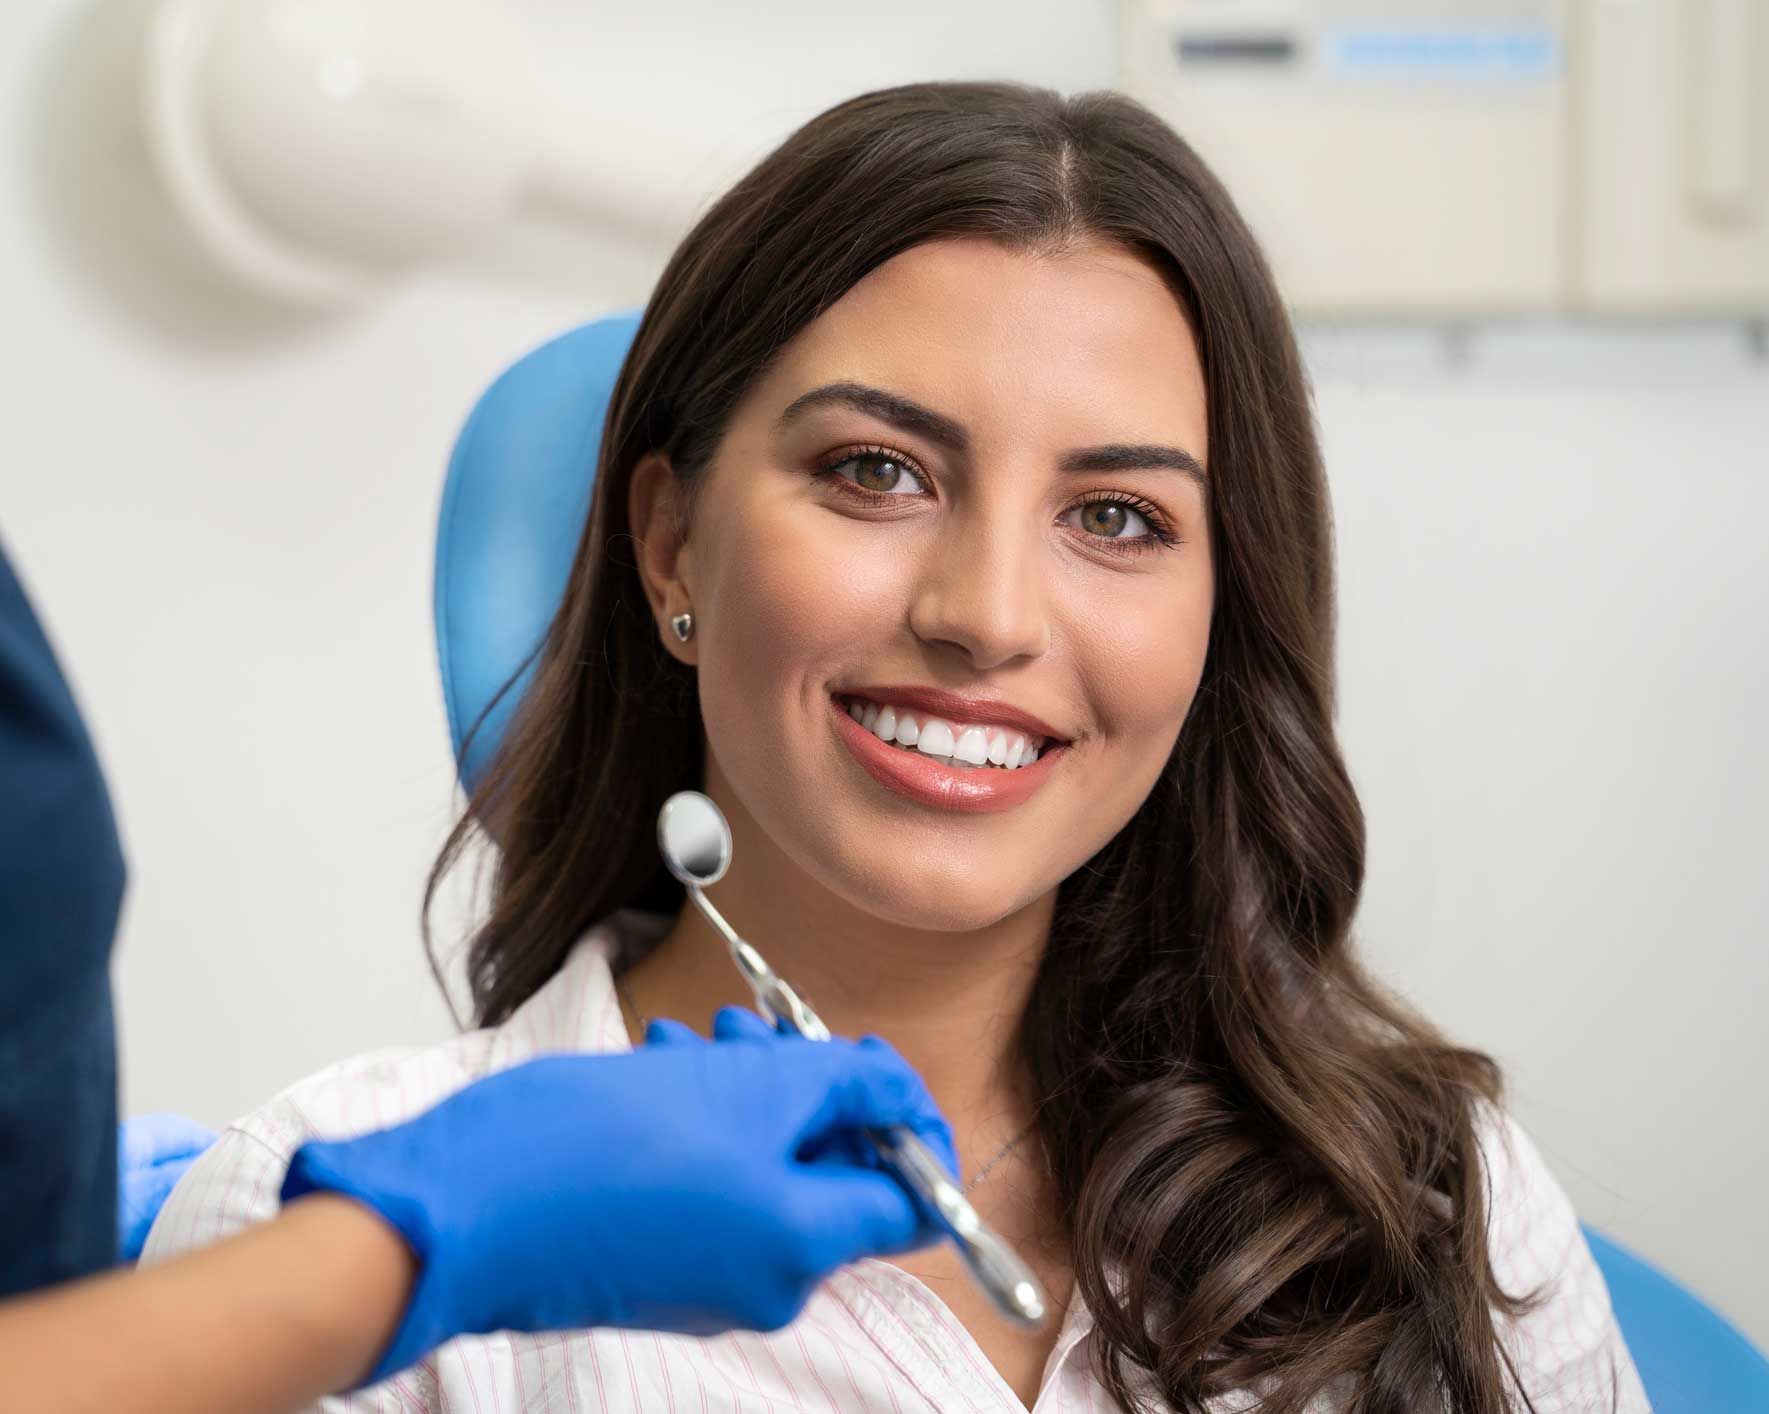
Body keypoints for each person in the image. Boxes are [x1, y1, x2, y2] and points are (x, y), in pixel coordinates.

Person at [145, 79, 1651, 1413]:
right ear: (671, 546)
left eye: (1115, 516)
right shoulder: (331, 1222)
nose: (987, 616)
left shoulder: (1435, 1194)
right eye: (877, 471)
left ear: (1219, 609)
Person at [0, 1010, 963, 1414]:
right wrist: (399, 1246)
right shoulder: (283, 1173)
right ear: (672, 574)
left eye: (1121, 560)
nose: (987, 620)